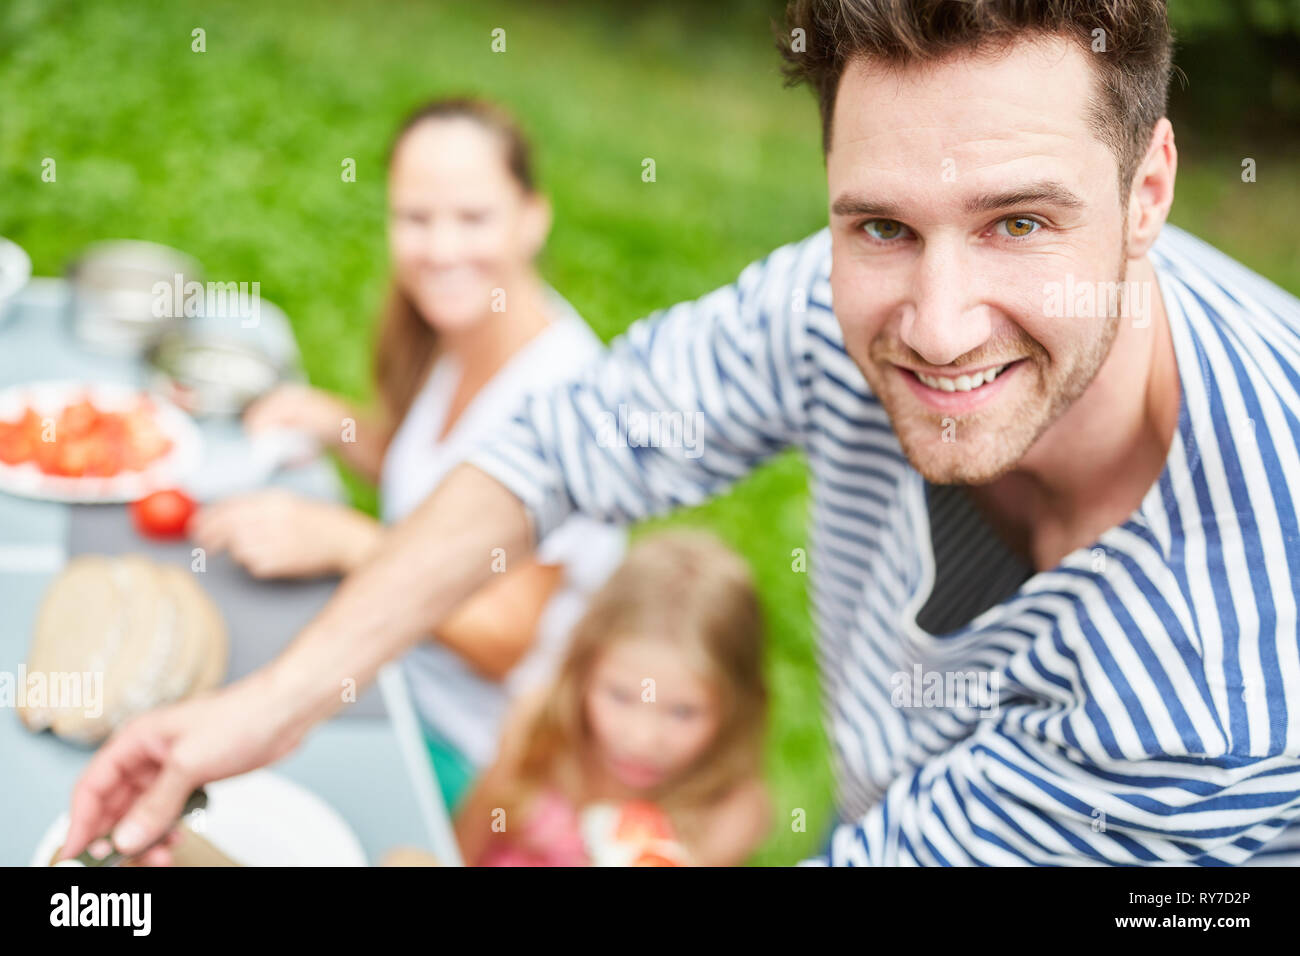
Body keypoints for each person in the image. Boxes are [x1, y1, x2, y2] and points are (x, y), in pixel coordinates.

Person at [65, 0, 1300, 867]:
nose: (935, 324)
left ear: (1150, 189)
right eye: (878, 226)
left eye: (1017, 223)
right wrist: (275, 703)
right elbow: (558, 447)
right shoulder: (832, 298)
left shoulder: (1209, 699)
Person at [188, 97, 625, 811]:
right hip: (383, 663)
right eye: (416, 218)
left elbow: (503, 642)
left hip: (460, 755)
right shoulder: (458, 335)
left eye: (473, 218)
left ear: (533, 217)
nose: (441, 248)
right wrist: (340, 425)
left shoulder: (572, 400)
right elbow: (446, 483)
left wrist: (350, 542)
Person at [455, 532, 770, 866]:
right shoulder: (538, 728)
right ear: (584, 669)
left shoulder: (729, 813)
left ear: (737, 705)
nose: (641, 739)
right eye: (620, 696)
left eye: (682, 712)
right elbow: (459, 848)